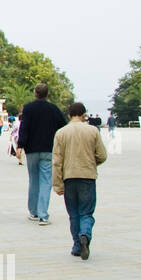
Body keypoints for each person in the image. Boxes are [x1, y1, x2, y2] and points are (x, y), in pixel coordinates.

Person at [52, 101, 107, 260]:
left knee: (73, 214)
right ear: (84, 115)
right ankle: (85, 234)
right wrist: (91, 162)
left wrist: (57, 184)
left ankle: (77, 245)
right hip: (87, 176)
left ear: (69, 115)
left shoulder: (61, 133)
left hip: (69, 177)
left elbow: (56, 161)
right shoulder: (92, 131)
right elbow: (102, 155)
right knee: (86, 212)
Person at [17, 83, 66, 226]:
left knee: (33, 180)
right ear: (47, 94)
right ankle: (43, 215)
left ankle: (33, 211)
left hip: (31, 149)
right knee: (46, 181)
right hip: (48, 149)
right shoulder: (53, 109)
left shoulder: (28, 108)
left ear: (35, 93)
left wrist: (20, 146)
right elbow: (62, 126)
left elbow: (24, 128)